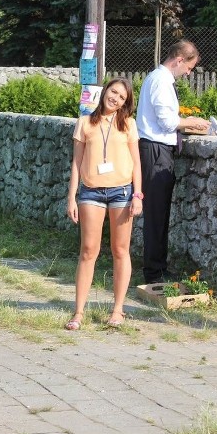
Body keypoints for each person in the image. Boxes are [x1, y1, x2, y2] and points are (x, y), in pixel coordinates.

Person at [66, 77, 143, 329]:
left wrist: (138, 195)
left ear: (125, 103)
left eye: (122, 97)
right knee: (88, 251)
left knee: (120, 251)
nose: (116, 98)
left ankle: (118, 310)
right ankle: (78, 312)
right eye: (114, 92)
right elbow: (76, 163)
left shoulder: (128, 124)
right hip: (91, 193)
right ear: (105, 91)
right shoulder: (85, 123)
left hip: (122, 192)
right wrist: (72, 197)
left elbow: (136, 163)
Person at [136, 40, 211, 284]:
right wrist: (193, 122)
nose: (188, 73)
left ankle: (157, 267)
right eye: (189, 68)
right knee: (156, 213)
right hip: (156, 150)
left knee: (160, 212)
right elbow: (167, 122)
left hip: (157, 150)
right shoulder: (160, 80)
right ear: (179, 60)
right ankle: (154, 273)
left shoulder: (159, 79)